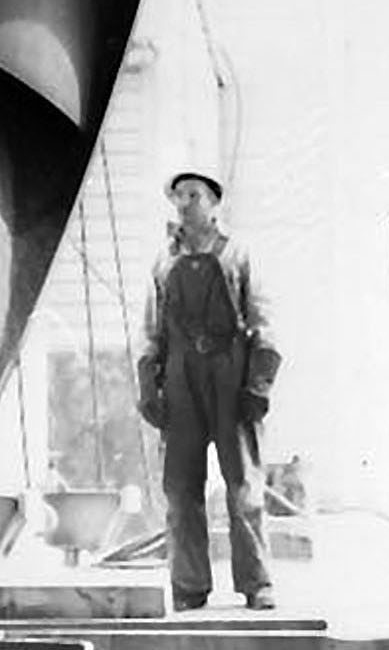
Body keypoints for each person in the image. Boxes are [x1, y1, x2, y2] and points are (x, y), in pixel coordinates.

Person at [135, 167, 281, 613]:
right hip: (180, 377)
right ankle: (189, 586)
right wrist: (149, 385)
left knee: (242, 484)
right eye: (178, 196)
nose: (184, 203)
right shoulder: (163, 261)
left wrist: (258, 381)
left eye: (193, 195)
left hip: (229, 373)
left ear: (214, 202)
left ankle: (257, 584)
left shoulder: (237, 254)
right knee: (180, 487)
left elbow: (262, 319)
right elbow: (151, 330)